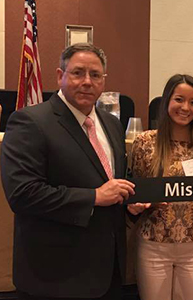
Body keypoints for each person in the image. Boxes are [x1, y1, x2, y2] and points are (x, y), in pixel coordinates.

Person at [1, 43, 135, 300]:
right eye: (78, 73)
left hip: (108, 274)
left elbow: (111, 183)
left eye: (95, 75)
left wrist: (130, 205)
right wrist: (94, 196)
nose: (87, 81)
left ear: (103, 81)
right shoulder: (30, 121)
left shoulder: (112, 124)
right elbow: (22, 194)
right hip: (55, 276)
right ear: (60, 76)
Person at [127, 74, 193, 300]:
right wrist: (137, 204)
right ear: (167, 100)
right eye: (179, 99)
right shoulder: (145, 142)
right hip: (153, 244)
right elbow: (136, 191)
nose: (186, 107)